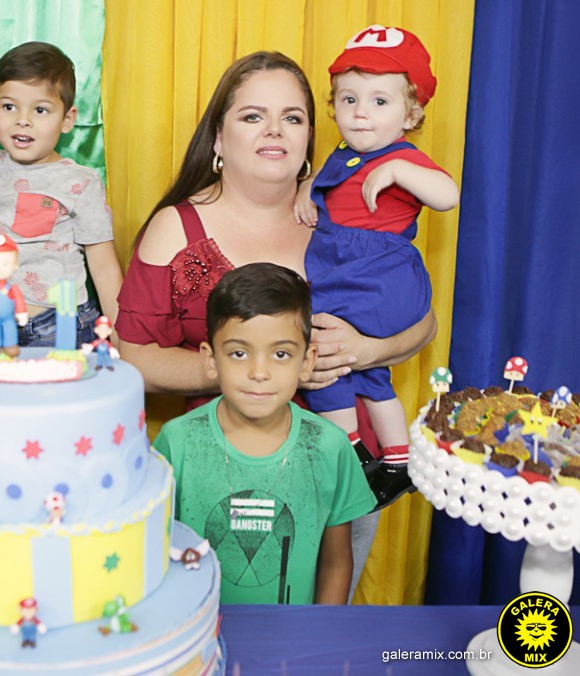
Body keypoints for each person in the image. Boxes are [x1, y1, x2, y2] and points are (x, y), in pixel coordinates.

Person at [115, 51, 437, 598]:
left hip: (345, 468)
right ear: (219, 138)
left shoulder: (348, 216)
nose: (275, 130)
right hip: (220, 473)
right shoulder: (177, 228)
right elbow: (132, 356)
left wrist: (363, 351)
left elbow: (423, 322)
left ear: (311, 137)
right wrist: (250, 369)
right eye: (252, 116)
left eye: (293, 117)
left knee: (320, 617)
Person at [293, 26, 459, 509]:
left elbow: (448, 195)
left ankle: (352, 457)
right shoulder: (344, 155)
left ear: (411, 114)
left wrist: (398, 170)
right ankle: (398, 462)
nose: (360, 112)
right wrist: (307, 189)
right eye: (349, 99)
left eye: (379, 101)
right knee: (369, 376)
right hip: (348, 272)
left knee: (324, 360)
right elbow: (329, 185)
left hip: (375, 278)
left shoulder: (403, 158)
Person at [154, 263, 377, 604]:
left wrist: (320, 630)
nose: (259, 372)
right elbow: (152, 553)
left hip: (293, 634)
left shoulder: (330, 447)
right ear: (211, 359)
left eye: (281, 354)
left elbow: (335, 564)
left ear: (307, 361)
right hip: (198, 629)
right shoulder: (177, 442)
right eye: (239, 353)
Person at [0, 42, 122, 348]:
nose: (23, 120)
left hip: (59, 324)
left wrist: (124, 344)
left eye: (40, 110)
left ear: (68, 119)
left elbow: (105, 268)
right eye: (9, 107)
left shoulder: (80, 182)